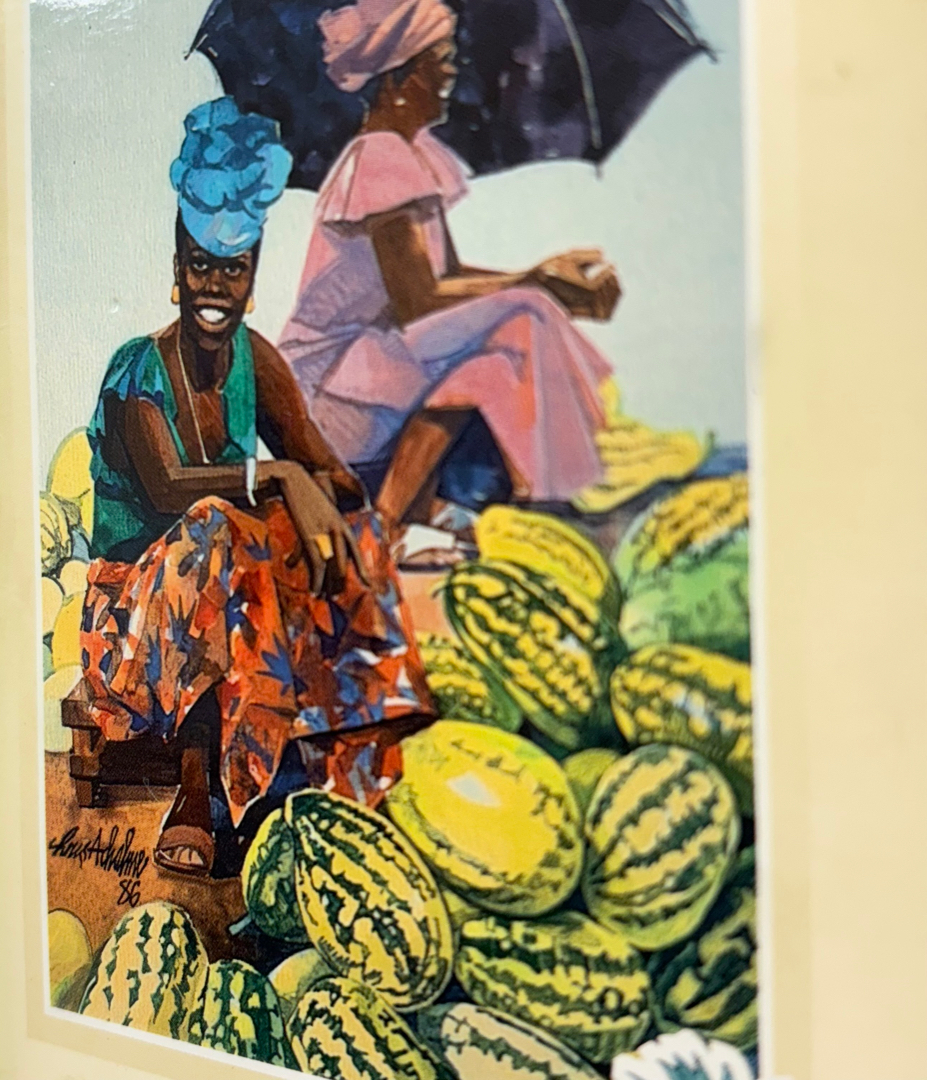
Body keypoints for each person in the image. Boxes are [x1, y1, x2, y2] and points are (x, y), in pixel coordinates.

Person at [80, 97, 433, 878]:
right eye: (200, 265)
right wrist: (278, 477)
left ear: (250, 279)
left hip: (236, 603)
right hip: (133, 623)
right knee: (217, 526)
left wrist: (367, 502)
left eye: (232, 269)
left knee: (341, 531)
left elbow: (325, 471)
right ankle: (199, 793)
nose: (215, 284)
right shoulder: (137, 370)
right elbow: (169, 489)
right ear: (177, 273)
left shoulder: (255, 359)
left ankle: (362, 776)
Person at [278, 0, 622, 562]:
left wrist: (552, 287)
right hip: (330, 385)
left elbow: (450, 278)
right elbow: (419, 300)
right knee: (524, 314)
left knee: (499, 356)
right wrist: (539, 285)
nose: (452, 72)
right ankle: (554, 492)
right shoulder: (377, 157)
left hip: (370, 363)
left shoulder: (412, 153)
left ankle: (511, 506)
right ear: (400, 78)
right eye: (440, 59)